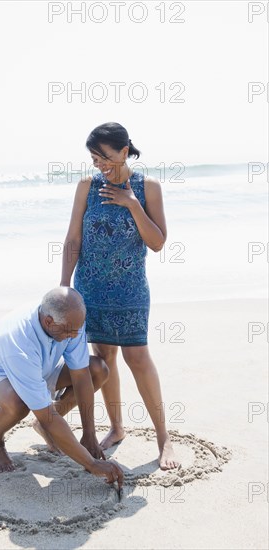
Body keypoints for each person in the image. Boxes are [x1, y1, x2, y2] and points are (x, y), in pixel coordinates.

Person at [60, 122, 179, 470]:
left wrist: (131, 204)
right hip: (90, 289)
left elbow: (157, 243)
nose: (99, 164)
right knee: (104, 359)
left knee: (138, 358)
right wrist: (66, 287)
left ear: (125, 152)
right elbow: (72, 240)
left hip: (130, 290)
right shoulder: (87, 186)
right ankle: (116, 428)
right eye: (94, 158)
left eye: (105, 157)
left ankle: (163, 438)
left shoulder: (148, 188)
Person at [0, 286, 124, 487]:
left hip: (38, 369)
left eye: (78, 330)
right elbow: (46, 415)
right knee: (19, 402)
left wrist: (89, 434)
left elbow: (81, 377)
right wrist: (91, 464)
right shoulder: (18, 342)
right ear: (48, 322)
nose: (75, 336)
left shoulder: (71, 322)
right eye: (70, 332)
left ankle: (47, 426)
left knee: (97, 370)